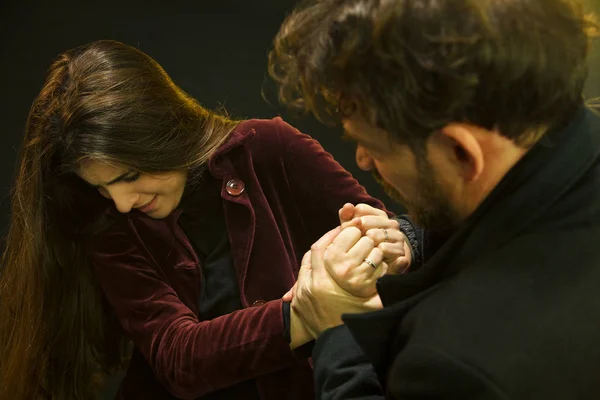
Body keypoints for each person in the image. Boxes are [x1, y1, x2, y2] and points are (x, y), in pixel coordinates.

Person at [0, 40, 410, 400]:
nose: (123, 202)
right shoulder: (109, 225)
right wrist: (305, 313)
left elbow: (384, 238)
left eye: (129, 176)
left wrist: (392, 244)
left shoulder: (270, 147)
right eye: (103, 189)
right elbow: (180, 358)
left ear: (162, 131)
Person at [269, 0, 600, 398]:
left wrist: (339, 331)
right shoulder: (563, 132)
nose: (362, 159)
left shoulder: (455, 363)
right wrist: (413, 240)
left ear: (461, 151)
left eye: (373, 146)